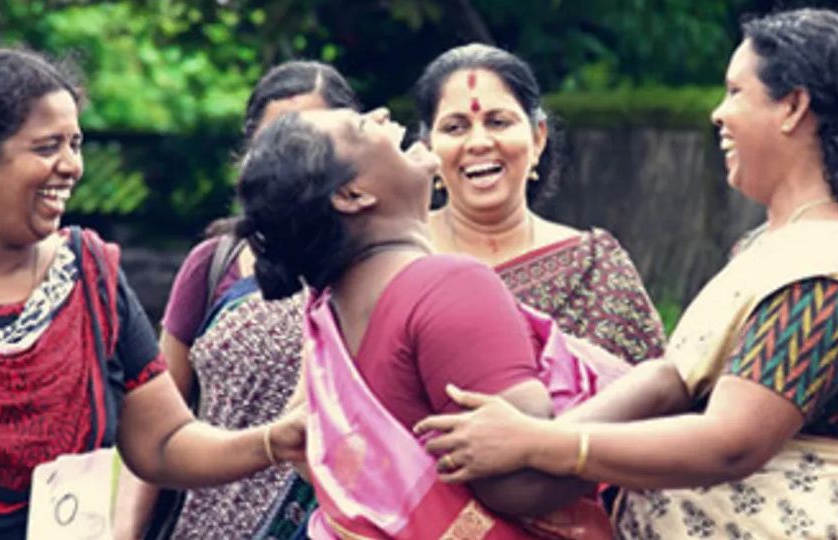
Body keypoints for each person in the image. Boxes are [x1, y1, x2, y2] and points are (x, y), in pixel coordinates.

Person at [413, 9, 838, 538]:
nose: (718, 114)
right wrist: (527, 444)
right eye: (455, 127)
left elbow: (732, 441)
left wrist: (538, 444)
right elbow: (672, 381)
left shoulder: (828, 274)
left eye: (735, 91)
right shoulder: (775, 247)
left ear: (793, 106)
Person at [254, 43, 662, 538]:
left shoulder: (333, 307)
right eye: (363, 127)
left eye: (499, 121)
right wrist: (661, 384)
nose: (382, 114)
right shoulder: (446, 284)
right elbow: (523, 484)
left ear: (538, 138)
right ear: (352, 194)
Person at [0, 48, 304, 540]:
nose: (71, 166)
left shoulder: (90, 278)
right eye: (46, 147)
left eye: (75, 144)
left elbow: (163, 441)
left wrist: (272, 441)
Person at [112, 61, 360, 540]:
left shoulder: (374, 269)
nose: (295, 163)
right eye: (276, 144)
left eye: (314, 142)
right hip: (207, 523)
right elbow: (156, 426)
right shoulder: (214, 264)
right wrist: (124, 532)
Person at [419, 43, 665, 365]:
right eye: (455, 127)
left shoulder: (593, 267)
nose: (479, 143)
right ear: (428, 148)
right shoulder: (398, 259)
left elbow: (655, 394)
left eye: (498, 122)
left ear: (538, 138)